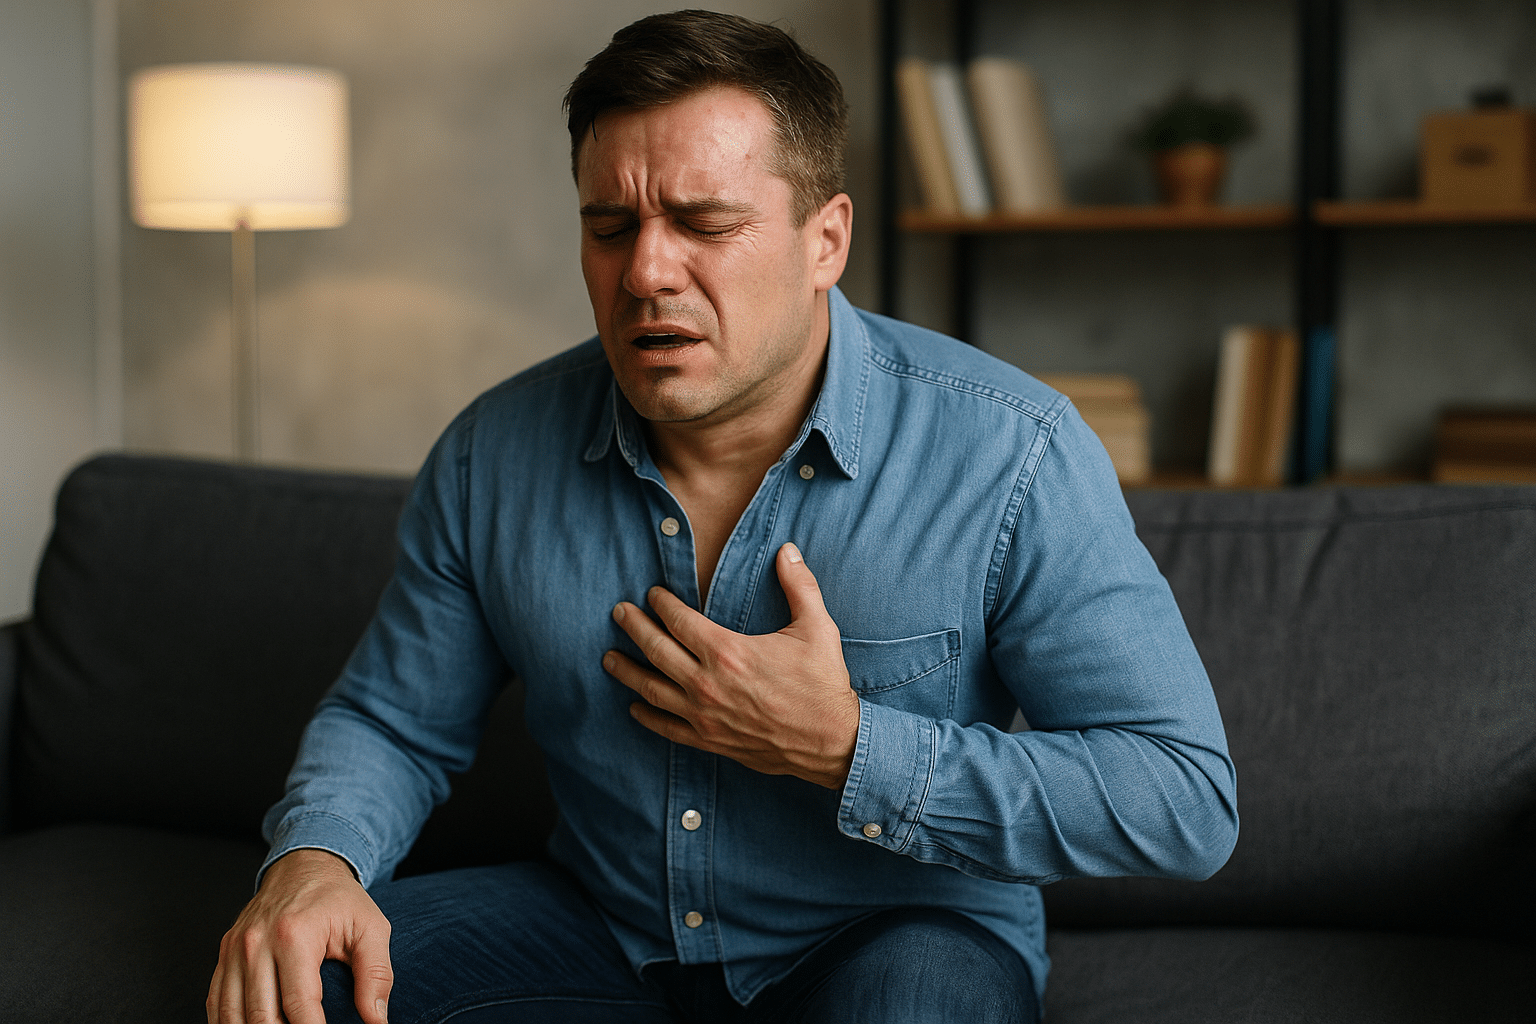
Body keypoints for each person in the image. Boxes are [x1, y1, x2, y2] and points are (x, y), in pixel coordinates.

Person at [207, 10, 1237, 1024]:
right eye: (611, 227)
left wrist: (844, 744)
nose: (647, 271)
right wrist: (314, 860)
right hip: (602, 931)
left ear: (825, 239)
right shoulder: (491, 455)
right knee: (299, 986)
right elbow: (393, 720)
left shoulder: (1013, 453)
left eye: (704, 223)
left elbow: (1183, 799)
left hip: (897, 938)